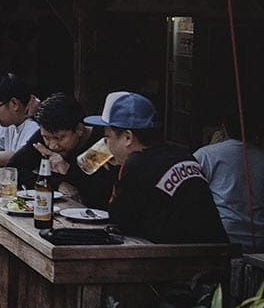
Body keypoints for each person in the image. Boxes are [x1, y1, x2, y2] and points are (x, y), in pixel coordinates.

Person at [85, 91, 227, 245]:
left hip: (182, 261)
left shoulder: (136, 163)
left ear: (127, 137)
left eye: (107, 137)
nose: (106, 144)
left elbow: (119, 220)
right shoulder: (182, 155)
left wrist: (116, 171)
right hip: (217, 253)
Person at [10, 93, 117, 209]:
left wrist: (68, 169)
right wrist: (57, 184)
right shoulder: (48, 133)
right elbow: (13, 169)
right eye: (46, 138)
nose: (53, 146)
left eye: (60, 138)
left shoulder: (102, 143)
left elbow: (100, 192)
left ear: (79, 129)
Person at [195, 116, 264, 251]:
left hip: (220, 239)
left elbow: (192, 195)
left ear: (224, 129)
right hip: (258, 240)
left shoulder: (207, 154)